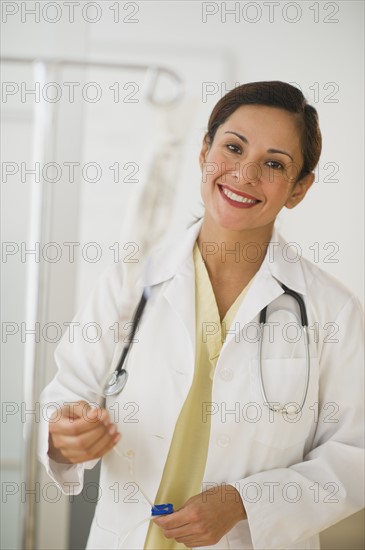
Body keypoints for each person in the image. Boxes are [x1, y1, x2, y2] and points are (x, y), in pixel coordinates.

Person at [39, 81, 364, 550]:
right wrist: (64, 434)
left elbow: (355, 455)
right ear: (204, 152)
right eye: (233, 147)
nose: (245, 174)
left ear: (299, 189)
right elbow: (68, 397)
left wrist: (244, 502)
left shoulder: (333, 310)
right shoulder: (131, 280)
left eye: (274, 164)